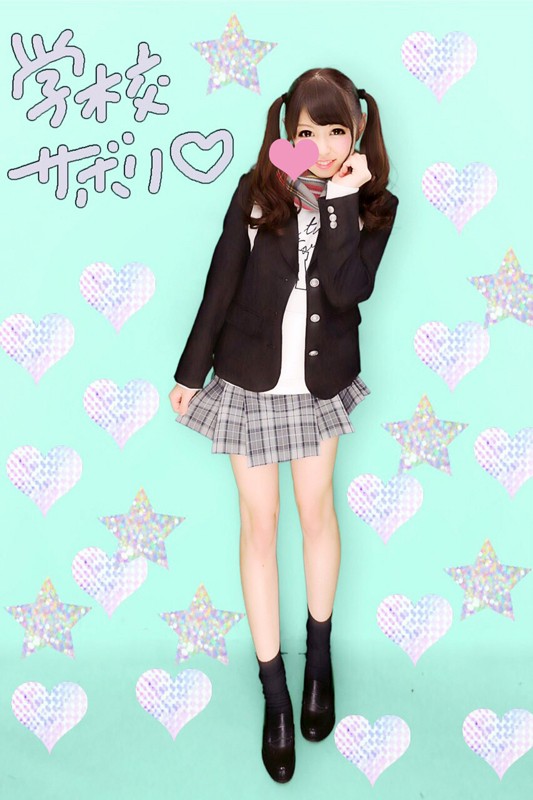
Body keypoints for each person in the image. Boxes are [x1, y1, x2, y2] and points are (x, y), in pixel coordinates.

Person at [168, 67, 399, 783]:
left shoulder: (374, 205)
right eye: (307, 131)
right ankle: (274, 694)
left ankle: (317, 661)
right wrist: (190, 372)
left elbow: (349, 288)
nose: (322, 146)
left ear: (356, 132)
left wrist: (341, 198)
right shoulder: (257, 191)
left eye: (336, 131)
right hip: (248, 378)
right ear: (286, 132)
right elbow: (221, 279)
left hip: (319, 385)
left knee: (316, 513)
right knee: (259, 527)